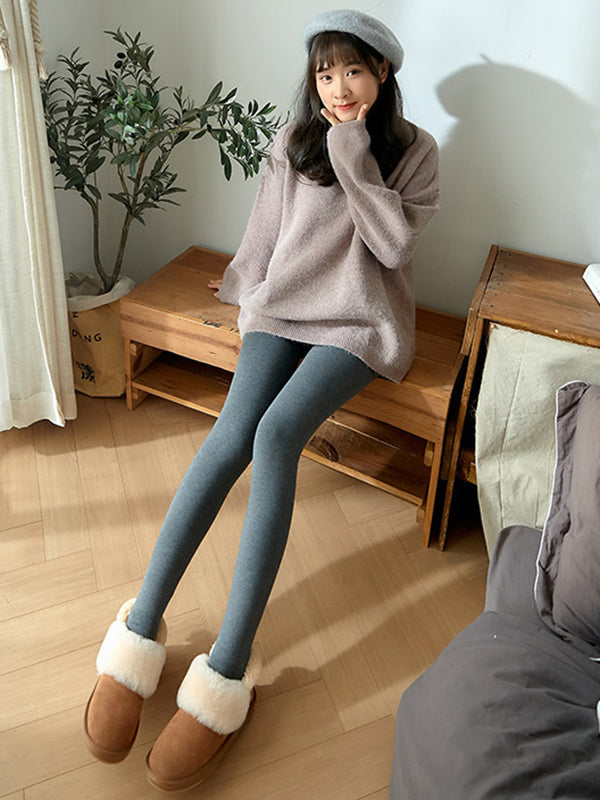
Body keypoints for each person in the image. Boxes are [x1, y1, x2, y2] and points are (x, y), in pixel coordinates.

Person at [83, 8, 440, 792]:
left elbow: (392, 248)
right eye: (325, 73)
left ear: (383, 73)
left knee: (277, 436)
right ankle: (138, 631)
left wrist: (353, 152)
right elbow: (266, 232)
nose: (338, 89)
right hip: (284, 309)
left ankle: (227, 672)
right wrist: (243, 286)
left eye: (353, 70)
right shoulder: (292, 139)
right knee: (230, 434)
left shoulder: (414, 152)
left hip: (359, 324)